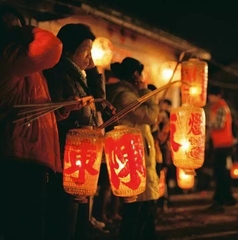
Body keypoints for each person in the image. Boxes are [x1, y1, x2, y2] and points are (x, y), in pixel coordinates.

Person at [0, 5, 84, 240]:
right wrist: (25, 29)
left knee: (33, 225)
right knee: (24, 228)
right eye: (11, 27)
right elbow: (52, 47)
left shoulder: (24, 67)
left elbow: (35, 108)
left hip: (32, 155)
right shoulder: (9, 59)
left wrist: (62, 109)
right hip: (18, 157)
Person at [43, 23, 106, 239]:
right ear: (68, 49)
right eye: (85, 50)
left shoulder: (79, 75)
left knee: (78, 219)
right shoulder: (58, 73)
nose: (89, 56)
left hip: (81, 155)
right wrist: (66, 108)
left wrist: (92, 66)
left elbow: (98, 98)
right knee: (64, 219)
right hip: (66, 154)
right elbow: (52, 112)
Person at [107, 57, 159, 239]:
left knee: (144, 208)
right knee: (136, 210)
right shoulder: (125, 96)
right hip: (134, 157)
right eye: (142, 74)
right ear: (136, 74)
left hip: (140, 155)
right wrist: (146, 91)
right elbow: (150, 116)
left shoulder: (131, 94)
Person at [206, 86, 237, 211]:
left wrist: (204, 122)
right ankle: (225, 198)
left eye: (211, 95)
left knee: (221, 173)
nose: (209, 98)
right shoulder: (216, 107)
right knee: (221, 172)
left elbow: (219, 125)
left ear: (218, 95)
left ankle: (222, 200)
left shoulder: (220, 107)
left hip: (223, 145)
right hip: (221, 144)